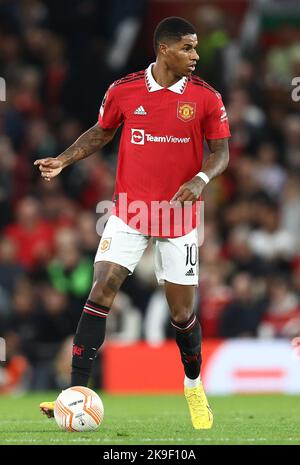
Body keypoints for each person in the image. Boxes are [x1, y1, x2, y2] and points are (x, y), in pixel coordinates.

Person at [35, 16, 230, 430]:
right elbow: (100, 133)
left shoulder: (206, 98)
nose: (196, 56)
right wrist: (63, 160)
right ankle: (75, 393)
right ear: (164, 49)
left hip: (178, 217)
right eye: (188, 48)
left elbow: (221, 153)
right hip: (129, 212)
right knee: (101, 288)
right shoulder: (123, 90)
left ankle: (193, 385)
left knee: (181, 314)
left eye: (196, 48)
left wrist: (200, 178)